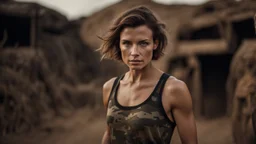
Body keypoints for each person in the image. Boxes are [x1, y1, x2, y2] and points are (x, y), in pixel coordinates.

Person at [99, 6, 198, 144]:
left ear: (155, 44)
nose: (134, 52)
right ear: (119, 45)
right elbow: (110, 133)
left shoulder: (173, 90)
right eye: (127, 43)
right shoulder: (110, 88)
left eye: (143, 43)